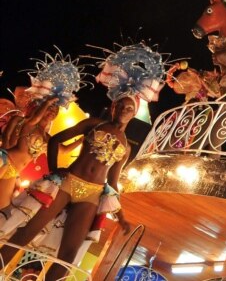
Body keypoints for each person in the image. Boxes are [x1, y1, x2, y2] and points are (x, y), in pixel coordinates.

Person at [0, 42, 166, 279]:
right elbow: (56, 140)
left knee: (69, 252)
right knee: (28, 230)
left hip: (91, 195)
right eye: (121, 105)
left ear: (134, 112)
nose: (124, 110)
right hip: (67, 183)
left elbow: (113, 182)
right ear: (113, 105)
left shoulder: (127, 147)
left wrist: (122, 218)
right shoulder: (94, 124)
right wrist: (57, 172)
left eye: (129, 108)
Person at [0, 52, 84, 209]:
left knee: (3, 208)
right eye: (49, 108)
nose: (53, 111)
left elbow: (64, 150)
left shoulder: (47, 137)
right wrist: (49, 100)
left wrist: (82, 139)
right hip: (4, 160)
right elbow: (6, 138)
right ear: (39, 107)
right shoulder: (24, 121)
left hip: (13, 171)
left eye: (56, 109)